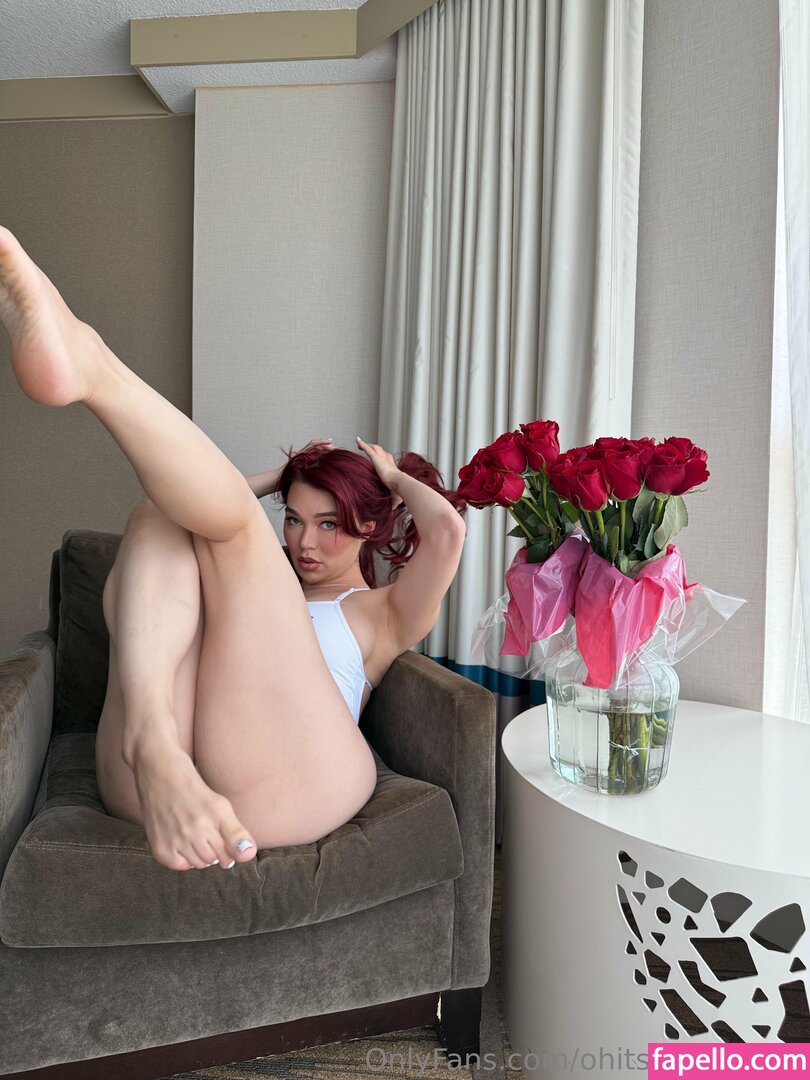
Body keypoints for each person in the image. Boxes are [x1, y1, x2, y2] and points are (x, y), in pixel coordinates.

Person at [0, 226, 468, 874]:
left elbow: (447, 532)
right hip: (148, 787)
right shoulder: (236, 583)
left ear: (370, 526)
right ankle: (151, 741)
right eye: (293, 520)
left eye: (330, 524)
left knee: (193, 520)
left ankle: (90, 362)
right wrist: (276, 480)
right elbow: (198, 516)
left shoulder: (383, 614)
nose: (304, 541)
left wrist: (389, 476)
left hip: (295, 787)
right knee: (159, 517)